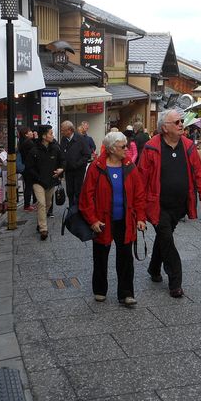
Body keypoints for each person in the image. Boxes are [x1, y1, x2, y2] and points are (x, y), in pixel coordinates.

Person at [138, 109, 201, 297]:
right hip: (157, 205)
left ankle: (154, 269)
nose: (181, 125)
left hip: (178, 206)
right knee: (168, 241)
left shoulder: (188, 146)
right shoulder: (151, 147)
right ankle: (175, 282)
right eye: (177, 122)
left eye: (181, 121)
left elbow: (199, 173)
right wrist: (138, 210)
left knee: (165, 236)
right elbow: (141, 179)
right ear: (165, 128)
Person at [78, 131, 147, 307]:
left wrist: (140, 217)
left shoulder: (130, 166)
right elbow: (87, 197)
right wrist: (92, 220)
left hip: (125, 221)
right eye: (122, 146)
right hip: (102, 221)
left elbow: (139, 194)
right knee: (100, 256)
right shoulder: (97, 167)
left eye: (126, 145)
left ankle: (126, 294)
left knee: (125, 258)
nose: (127, 149)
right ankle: (100, 290)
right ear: (111, 149)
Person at [26, 125, 64, 240]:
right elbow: (29, 167)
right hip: (37, 182)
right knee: (41, 203)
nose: (53, 135)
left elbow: (62, 161)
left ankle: (40, 222)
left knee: (48, 204)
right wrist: (37, 178)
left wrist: (61, 169)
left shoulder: (56, 148)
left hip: (51, 181)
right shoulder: (34, 150)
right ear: (43, 136)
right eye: (51, 133)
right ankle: (43, 229)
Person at [59, 121, 90, 205]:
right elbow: (62, 154)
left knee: (78, 191)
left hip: (79, 170)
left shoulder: (80, 139)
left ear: (69, 130)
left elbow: (87, 155)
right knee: (69, 191)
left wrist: (77, 164)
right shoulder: (63, 139)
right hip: (68, 170)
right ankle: (71, 209)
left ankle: (77, 210)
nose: (61, 132)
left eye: (63, 130)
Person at [18, 127, 36, 211]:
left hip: (25, 167)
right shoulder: (28, 142)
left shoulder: (21, 141)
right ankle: (27, 205)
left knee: (28, 186)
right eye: (30, 131)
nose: (32, 132)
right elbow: (36, 151)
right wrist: (36, 139)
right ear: (26, 134)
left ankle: (28, 204)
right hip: (29, 167)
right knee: (29, 186)